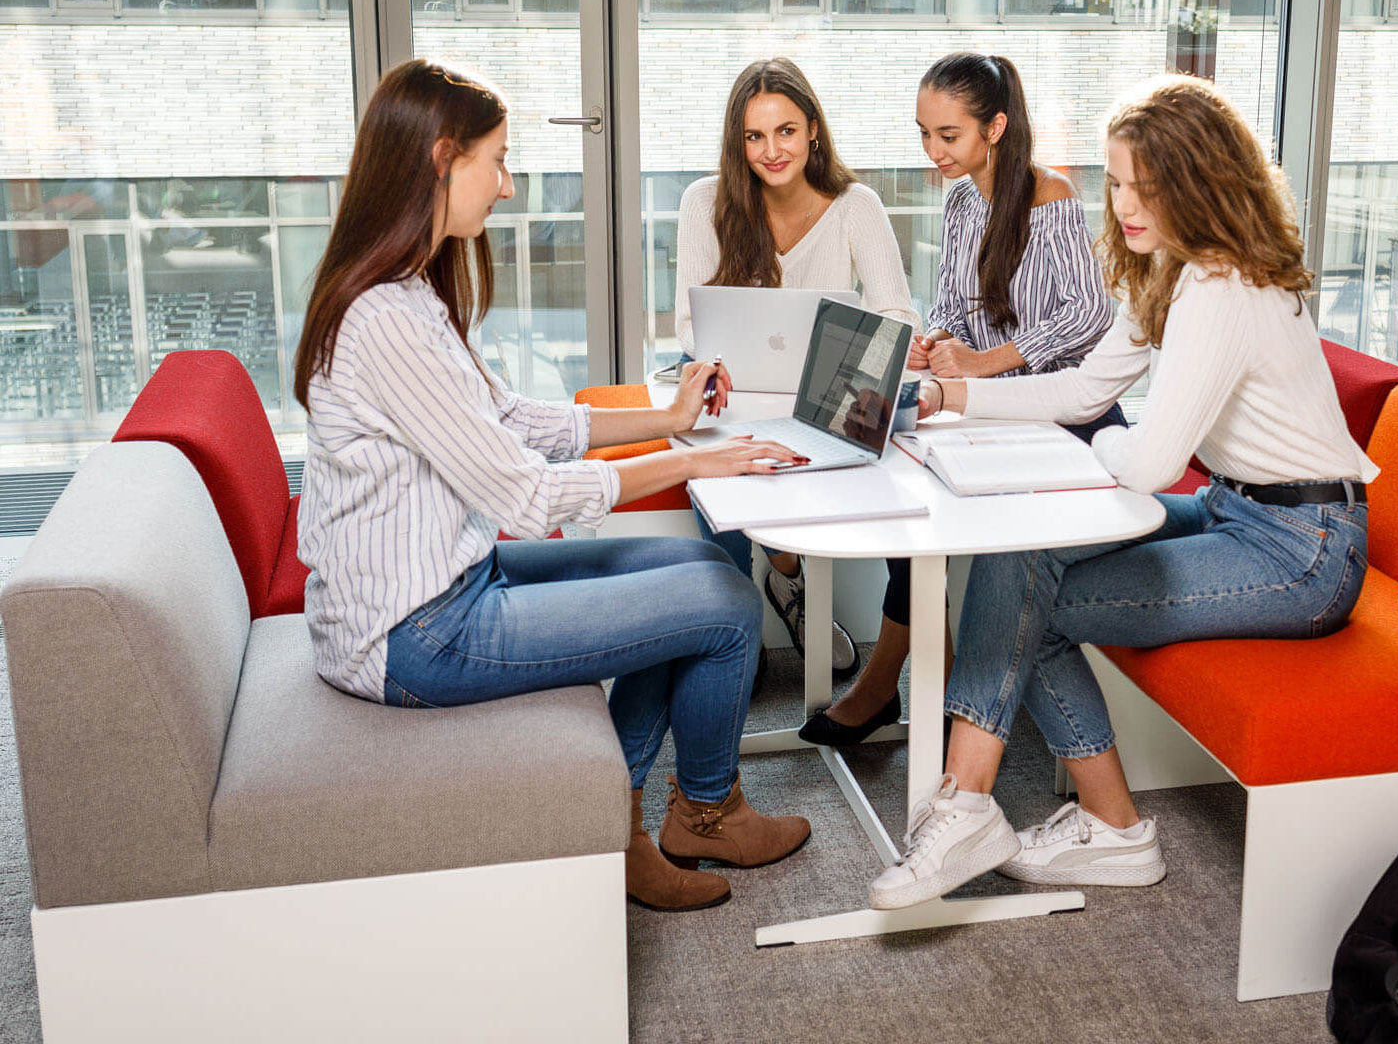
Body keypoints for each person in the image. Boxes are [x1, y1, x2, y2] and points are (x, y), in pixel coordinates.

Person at [294, 59, 810, 916]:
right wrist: (690, 460)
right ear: (439, 160)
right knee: (723, 611)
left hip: (452, 582)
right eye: (496, 162)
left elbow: (518, 422)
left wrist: (669, 418)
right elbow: (527, 500)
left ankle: (635, 825)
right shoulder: (385, 320)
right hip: (416, 632)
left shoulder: (411, 293)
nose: (504, 187)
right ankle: (699, 814)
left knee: (707, 581)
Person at [866, 74, 1377, 910]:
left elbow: (1142, 461)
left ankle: (1070, 824)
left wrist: (1104, 434)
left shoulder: (1224, 289)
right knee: (1022, 547)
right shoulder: (1173, 270)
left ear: (1201, 183)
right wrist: (955, 396)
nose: (1127, 204)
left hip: (1305, 550)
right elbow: (1078, 388)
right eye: (1116, 180)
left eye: (1149, 186)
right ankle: (991, 810)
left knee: (1042, 604)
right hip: (1235, 511)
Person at [797, 52, 1114, 747]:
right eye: (924, 134)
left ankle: (895, 687)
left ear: (995, 127)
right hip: (991, 408)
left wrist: (981, 362)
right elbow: (954, 309)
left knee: (922, 496)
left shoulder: (1050, 195)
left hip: (1064, 417)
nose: (933, 151)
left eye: (949, 135)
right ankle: (901, 684)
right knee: (893, 475)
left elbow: (1088, 316)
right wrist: (935, 340)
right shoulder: (963, 200)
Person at [675, 57, 920, 675]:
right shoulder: (704, 202)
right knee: (712, 456)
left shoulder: (855, 204)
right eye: (754, 136)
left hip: (828, 392)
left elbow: (897, 314)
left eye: (786, 130)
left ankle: (786, 573)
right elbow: (688, 322)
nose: (771, 150)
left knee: (901, 431)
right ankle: (734, 630)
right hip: (739, 386)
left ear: (813, 128)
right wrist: (719, 364)